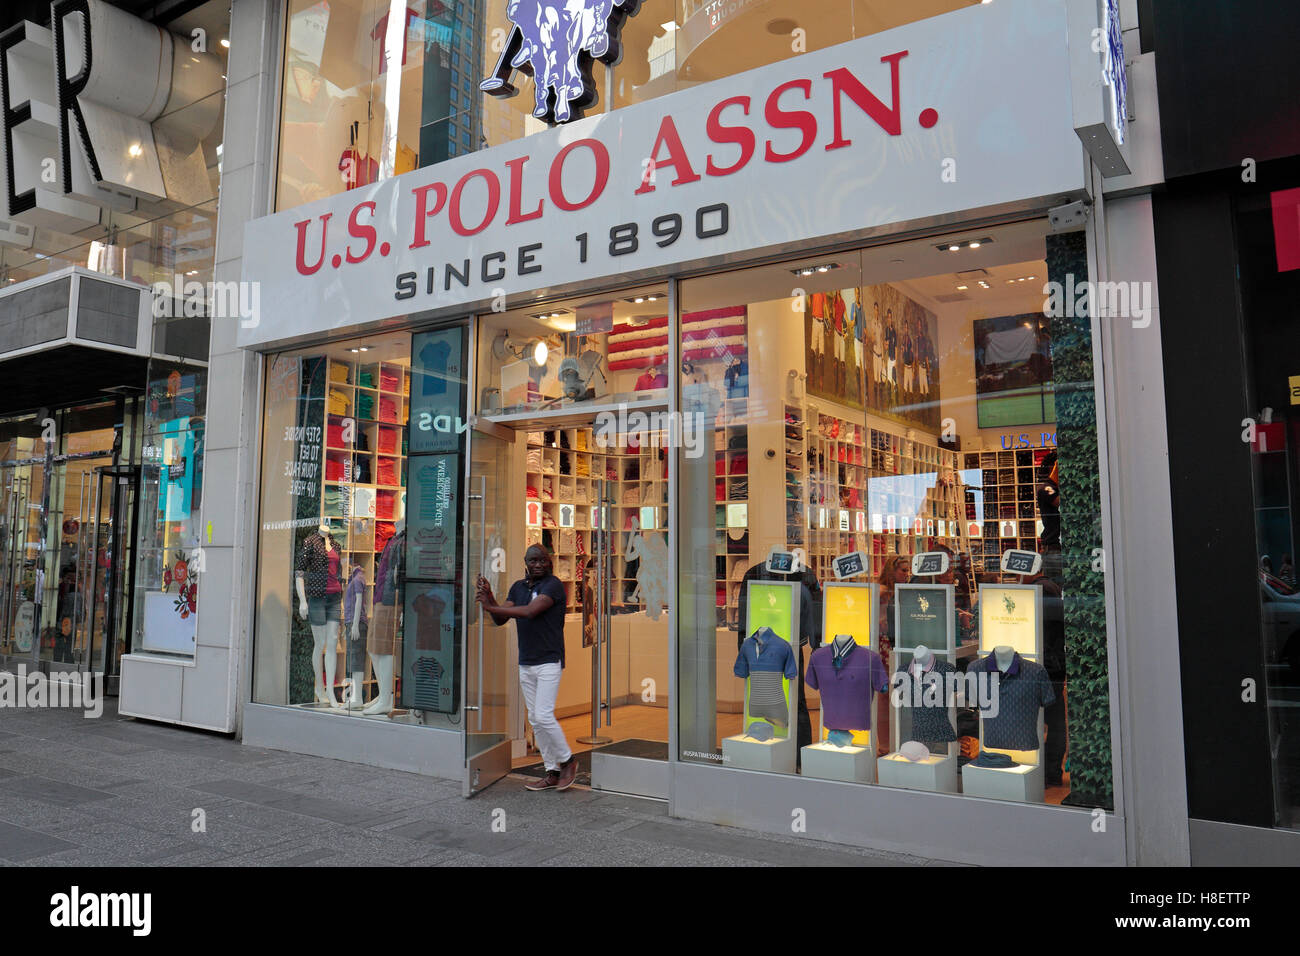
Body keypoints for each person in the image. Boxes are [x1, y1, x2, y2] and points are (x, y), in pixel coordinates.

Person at [476, 545, 579, 791]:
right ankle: (552, 770)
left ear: (550, 562)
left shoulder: (553, 586)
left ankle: (568, 761)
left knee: (543, 715)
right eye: (533, 561)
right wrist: (490, 598)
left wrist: (491, 606)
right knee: (535, 718)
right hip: (527, 662)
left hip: (548, 661)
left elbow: (530, 612)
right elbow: (502, 618)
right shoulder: (518, 587)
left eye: (543, 560)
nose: (538, 565)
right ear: (526, 563)